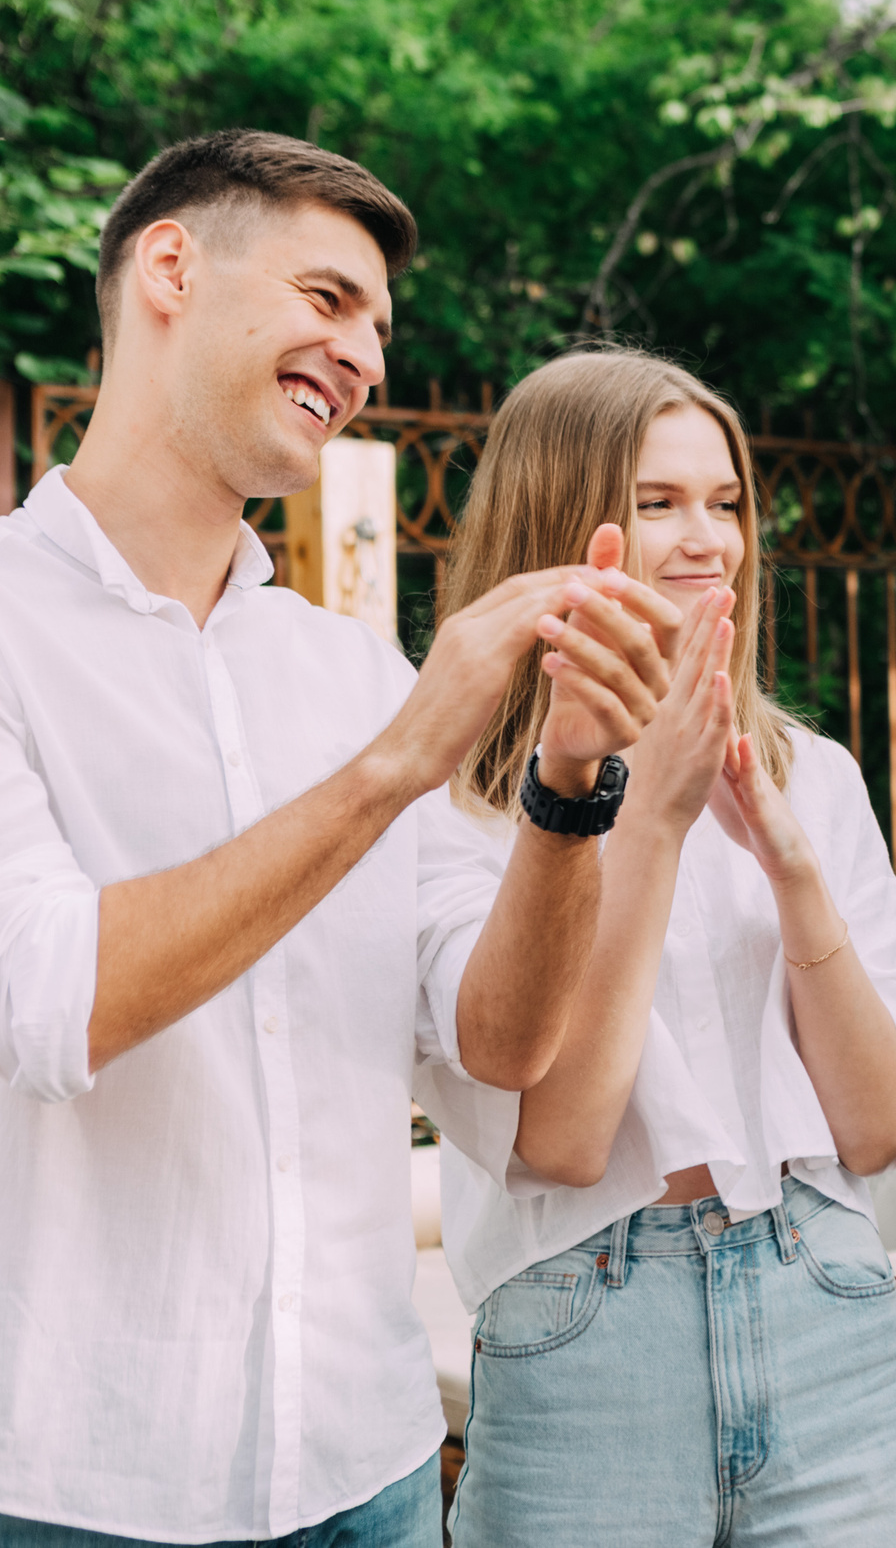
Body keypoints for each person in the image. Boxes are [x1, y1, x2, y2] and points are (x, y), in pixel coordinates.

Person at [0, 132, 677, 1545]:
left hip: (363, 1463)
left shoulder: (353, 673)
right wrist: (393, 768)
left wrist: (564, 789)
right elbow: (57, 998)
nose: (364, 354)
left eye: (378, 327)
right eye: (328, 298)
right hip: (76, 1479)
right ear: (172, 266)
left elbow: (493, 1042)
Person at [427, 349, 896, 1544]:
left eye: (725, 504)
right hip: (586, 1323)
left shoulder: (812, 775)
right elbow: (561, 1139)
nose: (708, 537)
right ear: (560, 520)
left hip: (828, 1300)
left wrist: (796, 870)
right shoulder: (455, 800)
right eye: (657, 502)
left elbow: (873, 1128)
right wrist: (649, 822)